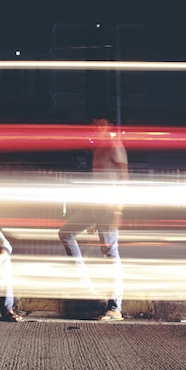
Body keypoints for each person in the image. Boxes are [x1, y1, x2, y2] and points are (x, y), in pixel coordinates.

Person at [58, 118, 129, 321]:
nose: (97, 129)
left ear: (109, 127)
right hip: (95, 205)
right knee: (66, 233)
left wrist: (118, 208)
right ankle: (85, 284)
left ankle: (115, 308)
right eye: (94, 125)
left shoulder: (115, 145)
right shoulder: (98, 149)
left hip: (109, 206)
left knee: (110, 252)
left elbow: (124, 177)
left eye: (101, 125)